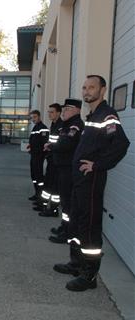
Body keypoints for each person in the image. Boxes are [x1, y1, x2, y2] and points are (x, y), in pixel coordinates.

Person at [55, 75, 130, 292]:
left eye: (92, 87)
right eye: (84, 87)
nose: (87, 91)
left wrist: (97, 165)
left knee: (89, 227)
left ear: (103, 90)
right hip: (80, 181)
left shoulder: (107, 115)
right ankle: (77, 264)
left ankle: (89, 275)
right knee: (78, 222)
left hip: (91, 180)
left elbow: (121, 144)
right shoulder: (92, 115)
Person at [46, 99, 84, 244]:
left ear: (77, 110)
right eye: (65, 108)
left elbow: (65, 145)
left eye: (68, 108)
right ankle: (64, 227)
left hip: (69, 169)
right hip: (62, 168)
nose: (65, 111)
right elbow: (61, 143)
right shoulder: (66, 125)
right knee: (65, 201)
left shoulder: (75, 126)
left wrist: (51, 147)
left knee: (68, 203)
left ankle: (68, 232)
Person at [36, 103, 63, 216]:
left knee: (55, 188)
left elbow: (61, 144)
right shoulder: (53, 125)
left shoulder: (61, 126)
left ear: (58, 113)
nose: (49, 114)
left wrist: (49, 146)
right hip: (52, 159)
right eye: (48, 112)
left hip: (57, 161)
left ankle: (53, 209)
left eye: (52, 112)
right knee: (48, 185)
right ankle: (43, 204)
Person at [27, 110, 49, 203]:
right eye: (32, 118)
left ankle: (41, 197)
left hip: (39, 156)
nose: (33, 119)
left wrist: (37, 150)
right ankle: (37, 194)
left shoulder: (43, 128)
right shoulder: (35, 127)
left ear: (39, 117)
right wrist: (30, 146)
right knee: (34, 176)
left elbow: (44, 143)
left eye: (35, 117)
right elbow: (35, 141)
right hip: (34, 155)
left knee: (39, 178)